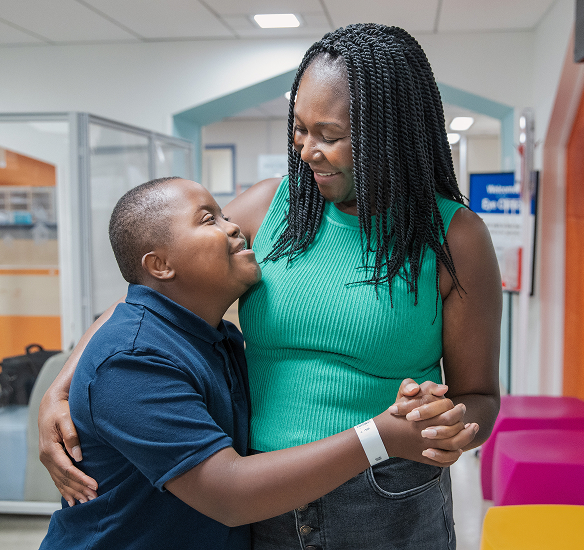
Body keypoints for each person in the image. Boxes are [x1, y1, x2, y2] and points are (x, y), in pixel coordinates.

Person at [39, 23, 502, 549]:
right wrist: (61, 387)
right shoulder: (269, 208)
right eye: (299, 130)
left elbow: (479, 395)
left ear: (389, 134)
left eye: (329, 136)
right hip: (262, 493)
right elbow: (146, 297)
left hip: (386, 498)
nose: (307, 151)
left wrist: (449, 428)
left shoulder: (454, 238)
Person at [39, 177, 476, 550]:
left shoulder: (215, 338)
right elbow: (228, 493)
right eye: (210, 219)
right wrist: (381, 436)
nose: (237, 228)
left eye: (225, 215)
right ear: (161, 264)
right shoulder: (133, 361)